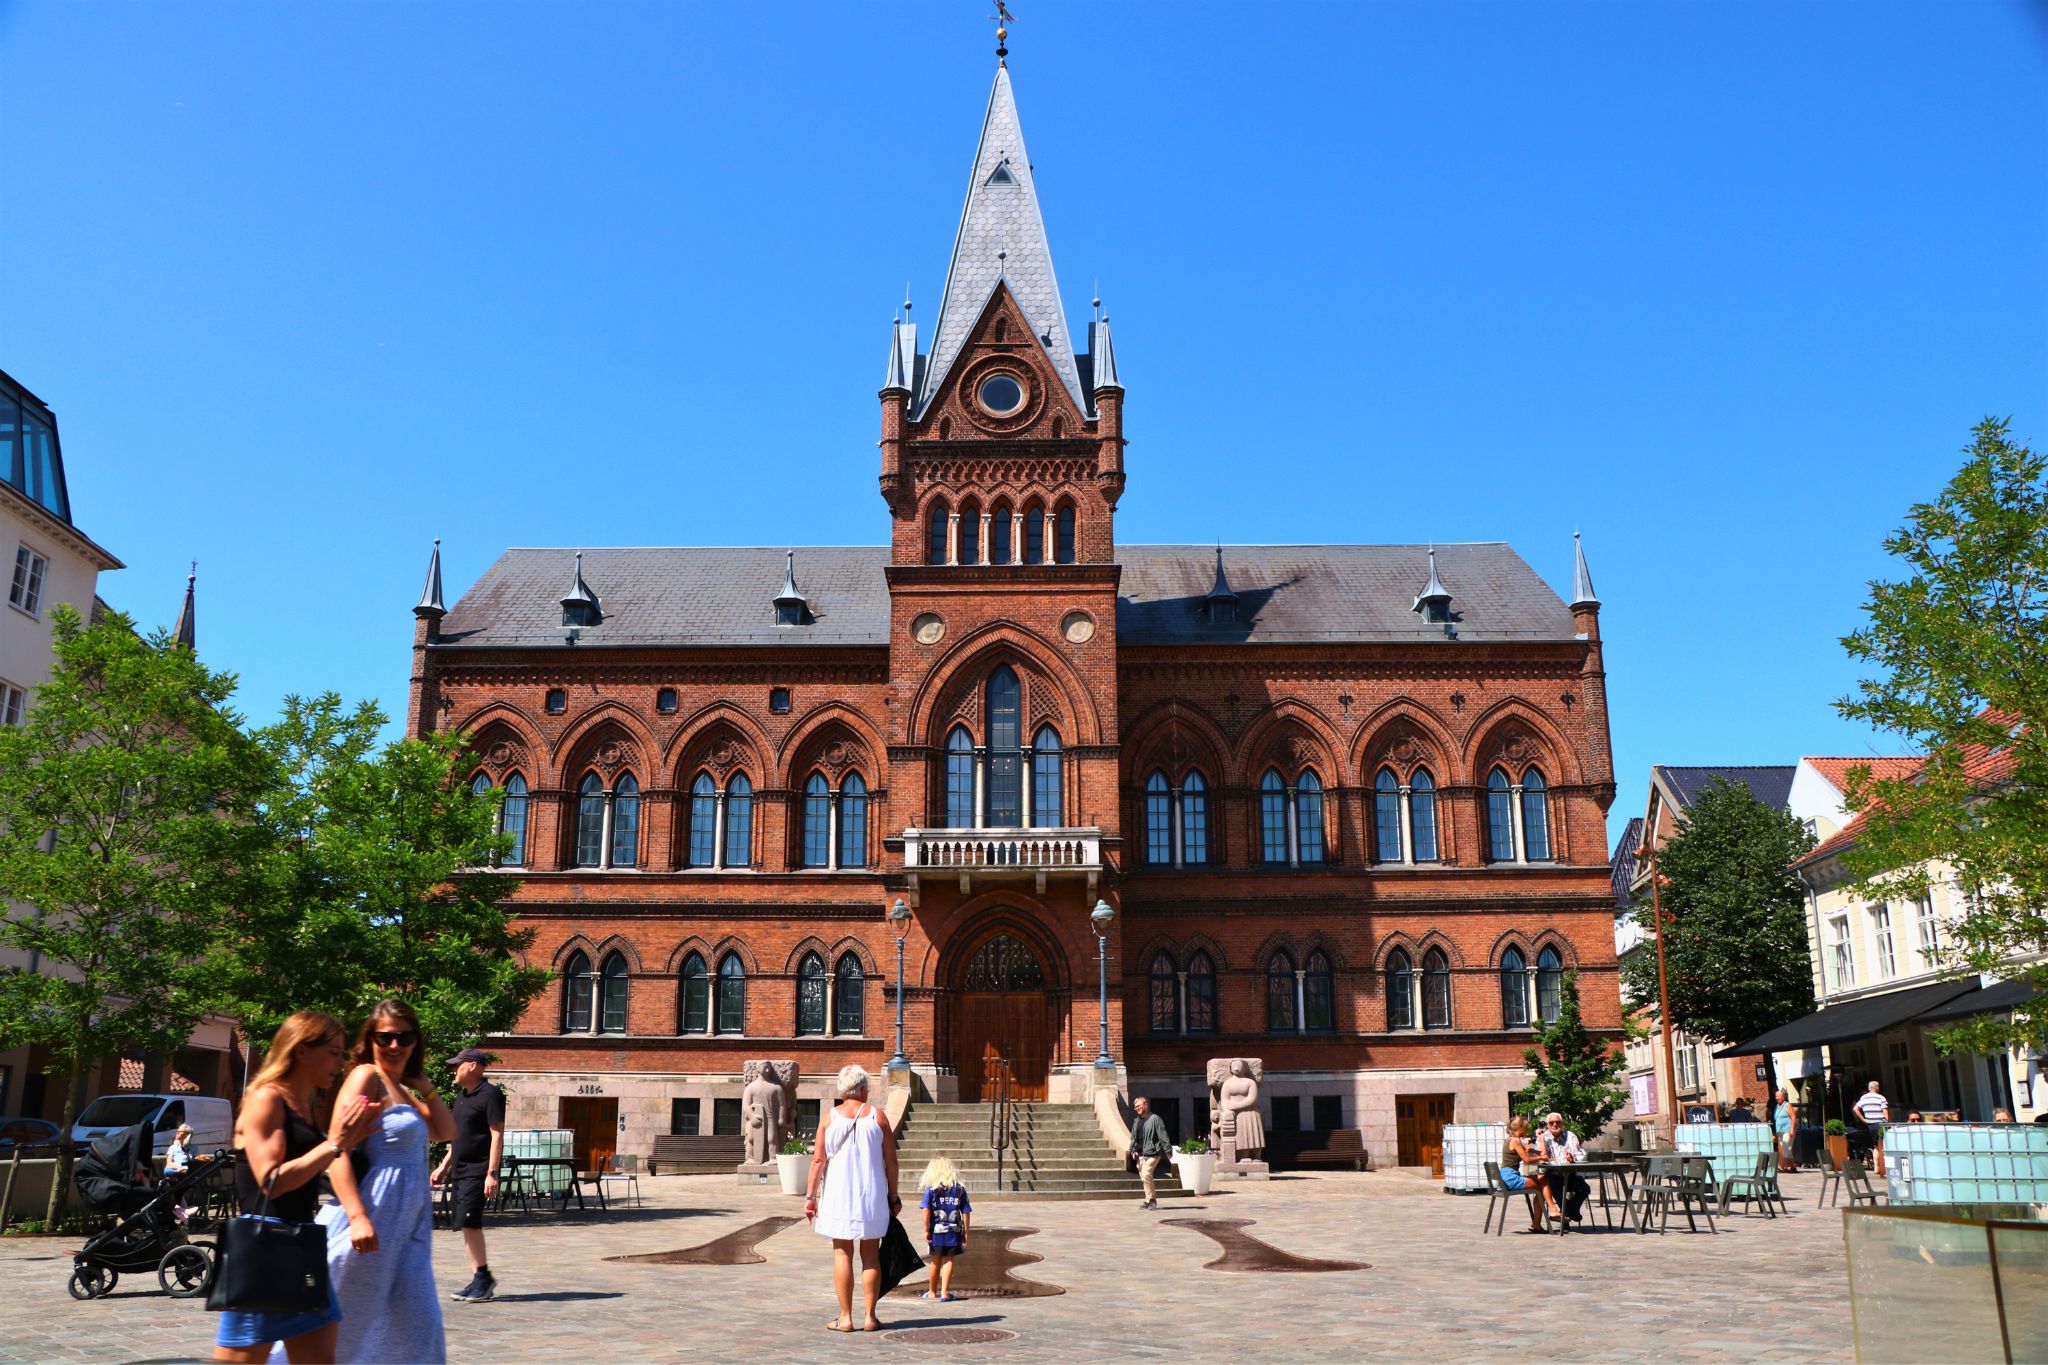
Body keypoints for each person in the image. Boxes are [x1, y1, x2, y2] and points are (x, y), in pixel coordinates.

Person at [213, 1011, 382, 1364]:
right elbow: (271, 1182)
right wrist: (334, 1143)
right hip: (264, 1252)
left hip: (302, 1245)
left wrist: (348, 1141)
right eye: (334, 1051)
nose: (341, 1060)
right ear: (302, 1050)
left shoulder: (302, 1106)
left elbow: (315, 1166)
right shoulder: (266, 1099)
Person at [317, 1000, 458, 1364]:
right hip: (373, 1219)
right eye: (385, 1038)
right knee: (344, 1324)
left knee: (417, 1324)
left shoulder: (405, 1092)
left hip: (409, 1227)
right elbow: (337, 1149)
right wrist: (358, 1216)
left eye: (404, 1037)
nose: (394, 1046)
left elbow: (445, 1131)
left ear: (415, 1041)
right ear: (370, 1040)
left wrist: (424, 1085)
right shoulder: (366, 1077)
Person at [805, 1064, 900, 1333]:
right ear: (861, 1089)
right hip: (871, 1195)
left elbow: (818, 1160)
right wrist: (893, 1195)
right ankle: (870, 1317)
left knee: (842, 1252)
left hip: (837, 1195)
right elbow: (891, 1161)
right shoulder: (878, 1117)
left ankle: (845, 1318)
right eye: (867, 1087)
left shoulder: (829, 1118)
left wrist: (810, 1197)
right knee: (871, 1255)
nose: (868, 1091)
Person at [430, 1048, 505, 1304]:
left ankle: (483, 1278)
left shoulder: (491, 1095)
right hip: (460, 1171)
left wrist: (491, 1173)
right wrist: (443, 1167)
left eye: (457, 1065)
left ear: (472, 1066)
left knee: (471, 1223)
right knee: (464, 1223)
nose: (454, 1070)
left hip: (478, 1170)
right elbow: (456, 1137)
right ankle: (478, 1277)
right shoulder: (462, 1096)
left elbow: (496, 1134)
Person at [916, 1155, 971, 1302]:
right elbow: (966, 1211)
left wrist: (926, 1229)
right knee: (949, 1260)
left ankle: (932, 1291)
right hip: (953, 1231)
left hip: (937, 1231)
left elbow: (926, 1210)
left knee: (935, 1261)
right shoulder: (960, 1190)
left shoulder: (931, 1190)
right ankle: (945, 1292)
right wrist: (966, 1231)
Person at [1498, 1116, 1562, 1232]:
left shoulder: (1510, 1139)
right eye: (1526, 1128)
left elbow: (1526, 1150)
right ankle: (1552, 1210)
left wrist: (1536, 1151)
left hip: (1506, 1176)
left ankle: (1537, 1223)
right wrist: (1542, 1157)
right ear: (1520, 1127)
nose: (1527, 1130)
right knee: (1543, 1181)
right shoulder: (1515, 1141)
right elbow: (1527, 1160)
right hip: (1511, 1178)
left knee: (1540, 1184)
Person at [1537, 1112, 1589, 1223]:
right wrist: (1542, 1140)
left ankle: (1570, 1212)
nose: (1555, 1124)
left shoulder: (1570, 1136)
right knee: (1558, 1191)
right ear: (1547, 1125)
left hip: (1570, 1174)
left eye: (1558, 1122)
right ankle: (1570, 1213)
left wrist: (1573, 1158)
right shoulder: (1543, 1137)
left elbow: (1581, 1155)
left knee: (1585, 1188)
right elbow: (1542, 1158)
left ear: (1562, 1124)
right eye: (1552, 1122)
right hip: (1552, 1175)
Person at [1128, 1096, 1171, 1210]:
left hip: (1153, 1153)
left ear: (1145, 1104)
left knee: (1147, 1174)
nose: (1137, 1108)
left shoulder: (1155, 1119)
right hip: (1140, 1154)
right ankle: (1148, 1200)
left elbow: (1163, 1135)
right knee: (1144, 1178)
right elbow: (1133, 1137)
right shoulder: (1136, 1121)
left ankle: (1152, 1200)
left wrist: (1168, 1150)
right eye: (1135, 1107)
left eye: (1139, 1105)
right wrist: (1132, 1149)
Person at [1854, 1080, 1890, 1175]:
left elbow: (1855, 1109)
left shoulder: (1863, 1098)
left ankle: (1877, 1168)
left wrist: (1863, 1119)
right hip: (1880, 1123)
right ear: (1877, 1088)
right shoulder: (1881, 1098)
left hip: (1870, 1124)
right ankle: (1883, 1168)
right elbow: (1885, 1112)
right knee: (1882, 1145)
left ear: (1869, 1088)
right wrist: (1888, 1122)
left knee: (1875, 1146)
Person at [1771, 1089, 1799, 1172]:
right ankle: (1793, 1167)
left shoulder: (1787, 1105)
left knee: (1786, 1146)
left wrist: (1792, 1129)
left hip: (1787, 1130)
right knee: (1786, 1148)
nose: (1777, 1098)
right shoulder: (1776, 1106)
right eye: (1776, 1096)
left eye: (1778, 1096)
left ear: (1783, 1097)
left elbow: (1793, 1117)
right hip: (1780, 1131)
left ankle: (1784, 1166)